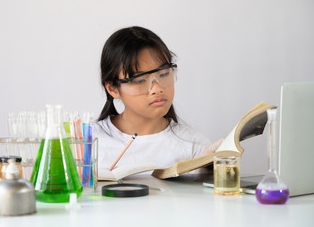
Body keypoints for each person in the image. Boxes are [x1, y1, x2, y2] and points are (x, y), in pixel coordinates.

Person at [95, 26, 222, 170]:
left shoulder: (195, 146)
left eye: (163, 74)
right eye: (140, 80)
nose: (157, 89)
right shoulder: (87, 143)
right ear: (112, 88)